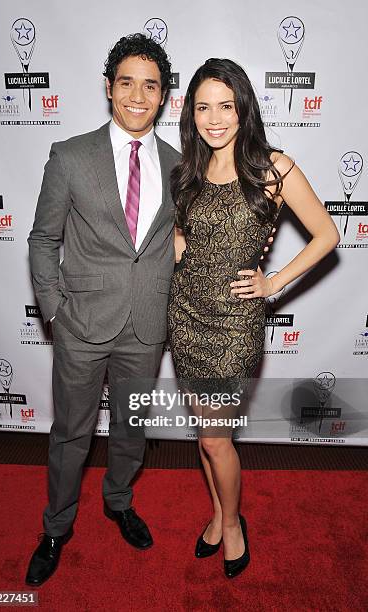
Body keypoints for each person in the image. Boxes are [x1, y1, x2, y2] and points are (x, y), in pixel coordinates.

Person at [167, 58, 340, 579]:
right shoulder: (187, 171)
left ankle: (234, 523)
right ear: (190, 113)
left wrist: (274, 281)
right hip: (186, 317)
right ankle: (219, 513)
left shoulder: (273, 167)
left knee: (217, 438)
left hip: (234, 326)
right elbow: (181, 242)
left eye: (226, 105)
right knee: (205, 435)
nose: (214, 118)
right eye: (203, 107)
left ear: (244, 108)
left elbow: (327, 235)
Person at [25, 33, 180, 586]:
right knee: (71, 432)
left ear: (165, 96)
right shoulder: (69, 156)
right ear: (108, 88)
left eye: (151, 85)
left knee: (131, 427)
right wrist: (55, 312)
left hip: (146, 325)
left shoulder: (180, 166)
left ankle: (118, 501)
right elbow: (43, 239)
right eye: (127, 82)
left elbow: (180, 243)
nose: (138, 95)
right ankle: (55, 528)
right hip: (81, 325)